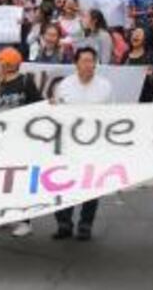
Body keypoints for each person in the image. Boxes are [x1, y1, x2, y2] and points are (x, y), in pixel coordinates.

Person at [0, 47, 43, 237]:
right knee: (2, 180)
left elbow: (40, 106)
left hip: (22, 142)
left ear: (8, 65)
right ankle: (4, 216)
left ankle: (25, 221)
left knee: (21, 181)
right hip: (0, 142)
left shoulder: (25, 82)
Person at [52, 47, 113, 241]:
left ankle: (85, 224)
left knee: (90, 184)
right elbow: (57, 113)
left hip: (94, 143)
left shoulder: (105, 87)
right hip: (68, 143)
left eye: (91, 61)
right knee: (64, 182)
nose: (89, 65)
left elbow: (113, 115)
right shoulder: (64, 85)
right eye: (84, 61)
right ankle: (64, 222)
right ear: (76, 64)